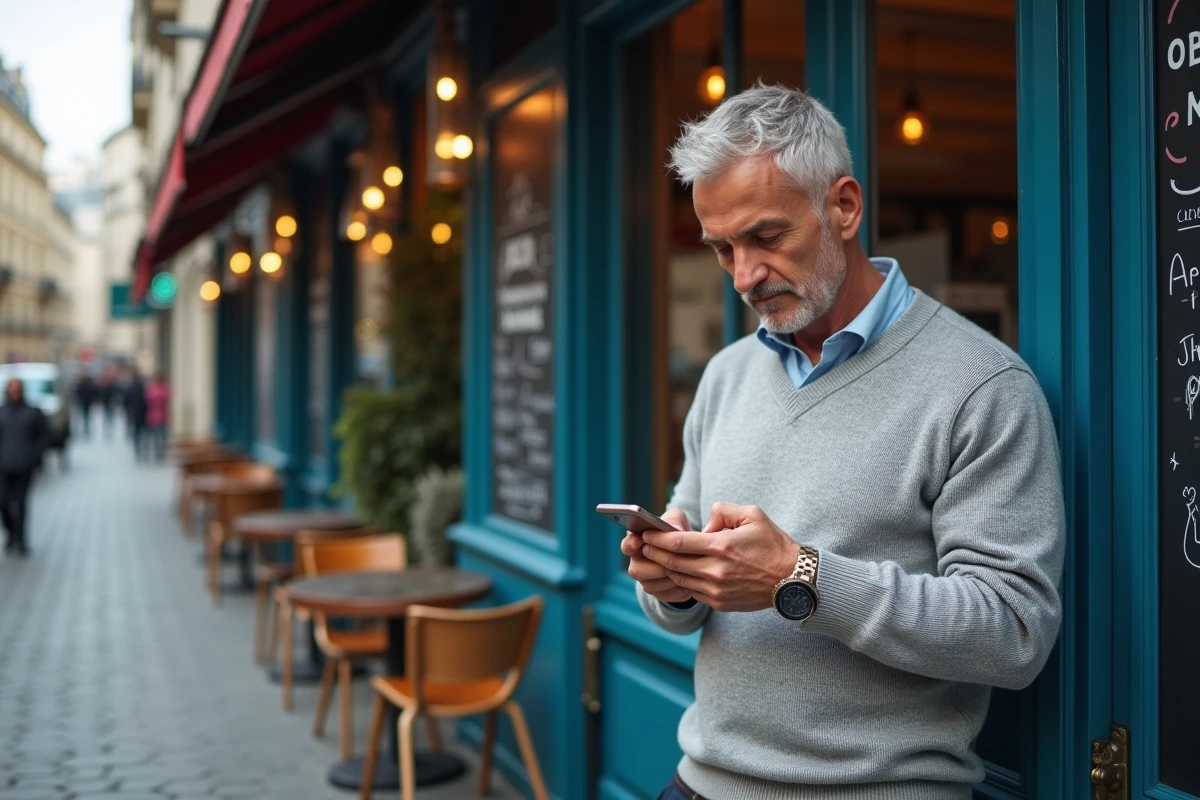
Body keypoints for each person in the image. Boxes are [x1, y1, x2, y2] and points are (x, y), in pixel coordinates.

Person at [619, 84, 1066, 800]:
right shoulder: (727, 375)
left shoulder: (981, 385)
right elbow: (694, 587)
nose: (744, 276)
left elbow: (1014, 633)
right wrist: (671, 584)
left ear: (844, 207)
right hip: (700, 780)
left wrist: (801, 580)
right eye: (722, 248)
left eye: (766, 237)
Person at [0, 377, 50, 556]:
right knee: (4, 503)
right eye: (12, 389)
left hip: (24, 467)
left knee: (21, 505)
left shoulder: (33, 412)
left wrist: (33, 456)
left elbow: (44, 436)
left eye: (17, 389)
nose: (15, 392)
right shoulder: (2, 412)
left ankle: (21, 540)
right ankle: (11, 533)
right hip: (3, 468)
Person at [144, 372, 170, 462]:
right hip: (154, 416)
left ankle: (160, 451)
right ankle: (157, 451)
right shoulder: (153, 389)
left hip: (163, 416)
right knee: (156, 435)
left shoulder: (164, 388)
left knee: (162, 435)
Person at [124, 369, 148, 460]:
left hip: (134, 413)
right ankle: (142, 447)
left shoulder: (130, 388)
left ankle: (138, 448)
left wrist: (128, 411)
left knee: (136, 431)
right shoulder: (143, 388)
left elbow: (126, 401)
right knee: (143, 431)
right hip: (142, 413)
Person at [75, 372, 96, 438]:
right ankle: (85, 429)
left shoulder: (82, 385)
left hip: (85, 402)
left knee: (85, 416)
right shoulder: (84, 385)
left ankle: (85, 429)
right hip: (85, 402)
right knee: (85, 416)